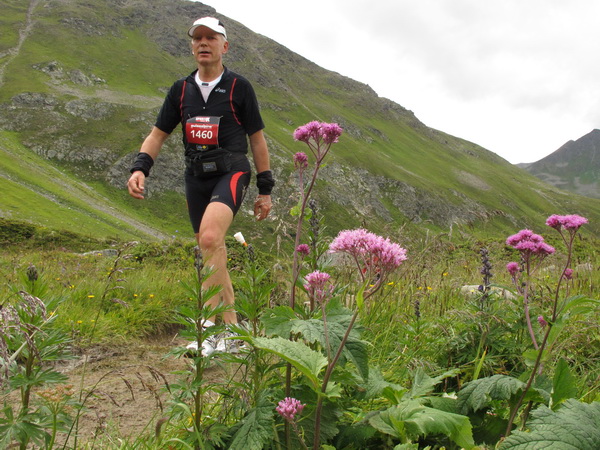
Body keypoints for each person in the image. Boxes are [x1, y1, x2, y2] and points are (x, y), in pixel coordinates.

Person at [127, 16, 274, 356]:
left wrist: (265, 189)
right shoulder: (181, 90)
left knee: (209, 239)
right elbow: (157, 134)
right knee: (211, 249)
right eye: (197, 38)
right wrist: (140, 168)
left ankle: (206, 329)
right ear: (192, 46)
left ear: (225, 46)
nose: (203, 43)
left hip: (231, 171)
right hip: (196, 176)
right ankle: (234, 332)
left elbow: (257, 140)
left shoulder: (238, 87)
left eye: (211, 38)